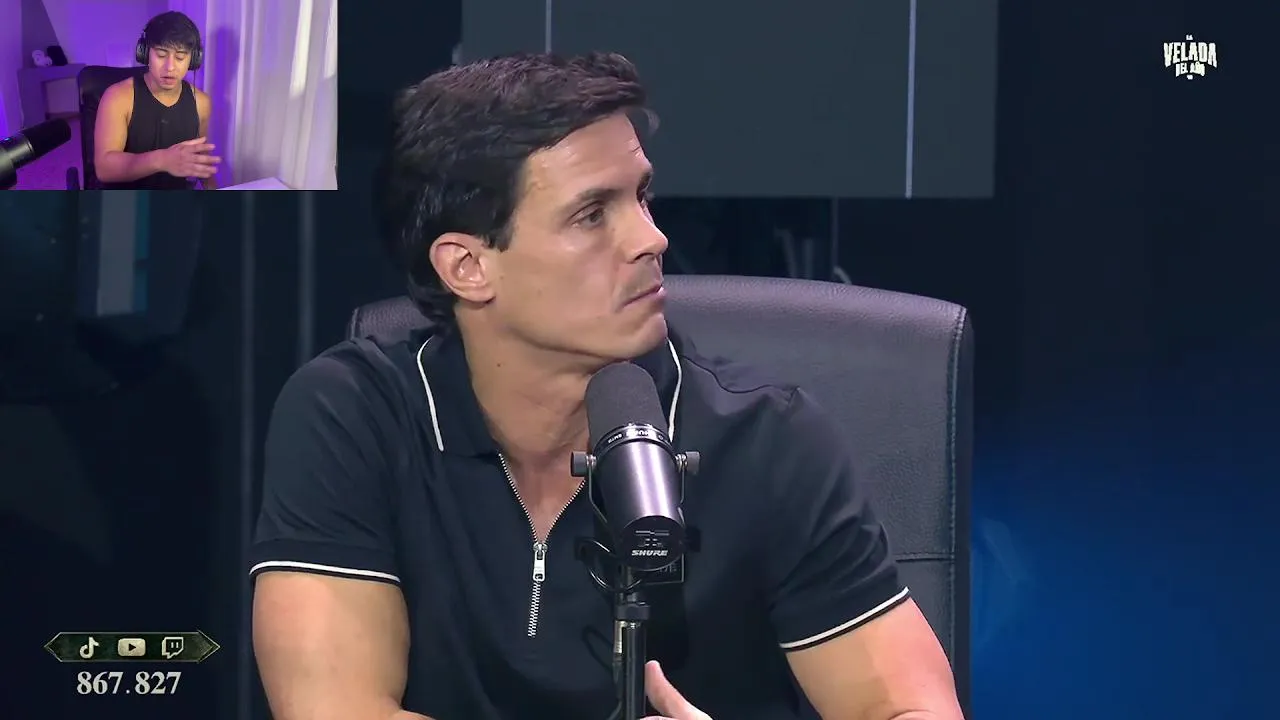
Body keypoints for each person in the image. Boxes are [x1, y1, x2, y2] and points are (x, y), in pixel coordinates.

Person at [250, 52, 965, 720]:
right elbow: (333, 709)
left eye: (642, 197)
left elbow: (912, 710)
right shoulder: (356, 415)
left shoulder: (768, 443)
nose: (651, 239)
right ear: (468, 267)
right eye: (592, 214)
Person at [93, 11, 219, 190]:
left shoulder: (201, 103)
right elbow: (104, 169)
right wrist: (162, 159)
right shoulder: (117, 97)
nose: (170, 67)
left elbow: (200, 161)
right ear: (145, 53)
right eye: (161, 54)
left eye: (180, 57)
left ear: (193, 59)